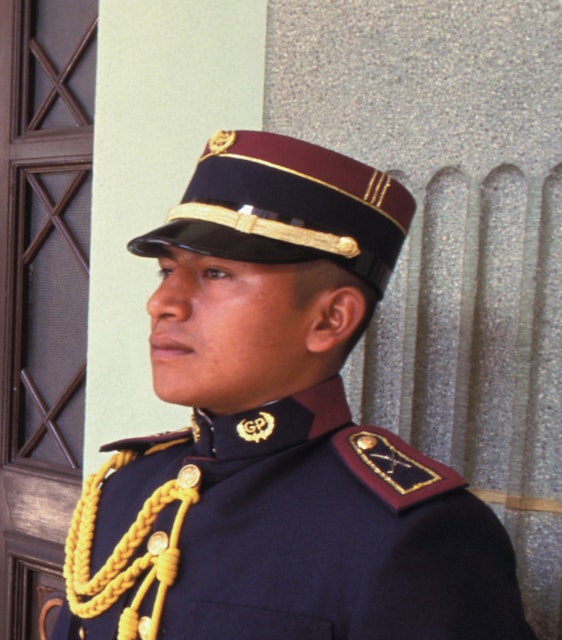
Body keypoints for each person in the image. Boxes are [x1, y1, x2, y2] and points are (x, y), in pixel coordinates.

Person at [51, 130, 536, 640]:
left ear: (330, 319)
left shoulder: (413, 535)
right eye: (166, 270)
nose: (162, 303)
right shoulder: (127, 488)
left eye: (216, 273)